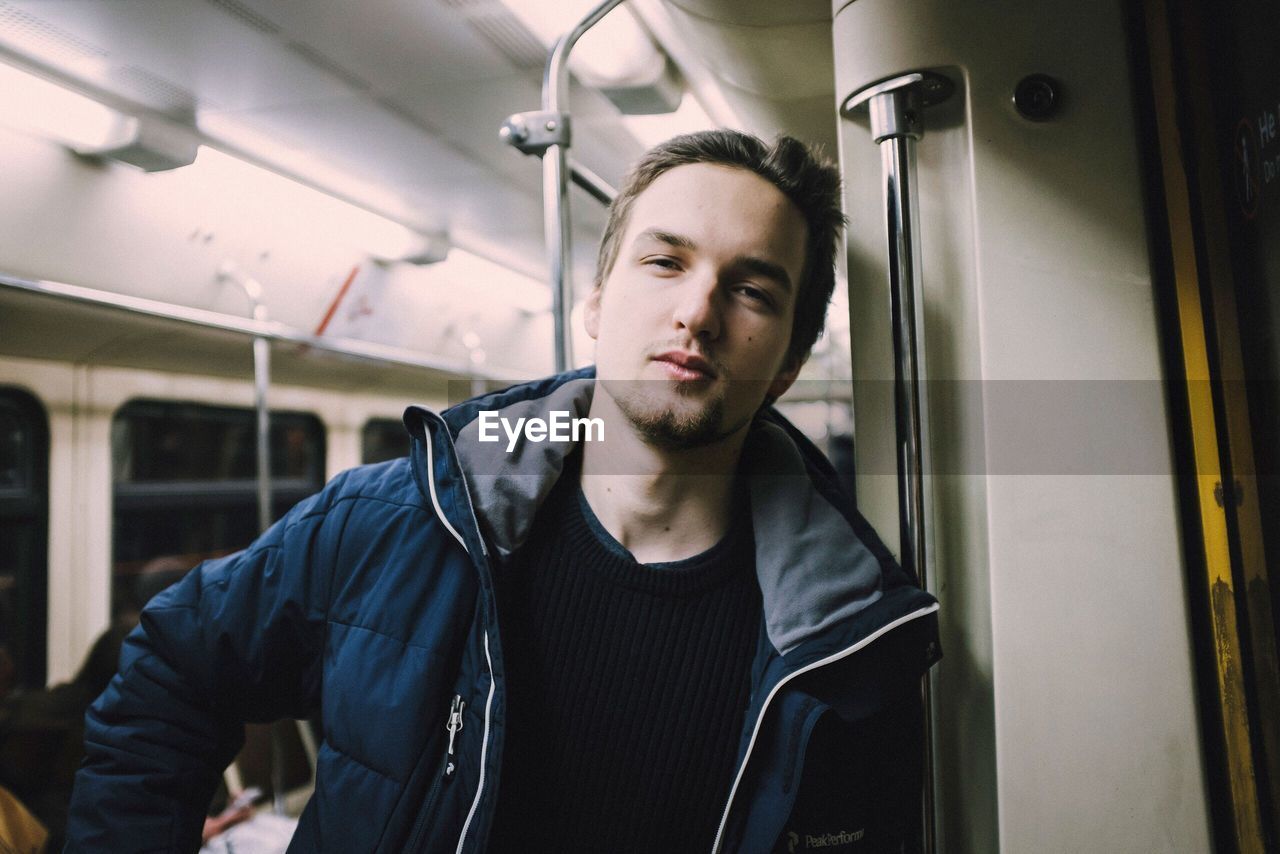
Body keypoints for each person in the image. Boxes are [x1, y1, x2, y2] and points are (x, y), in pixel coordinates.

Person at [66, 130, 940, 853]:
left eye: (751, 289)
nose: (699, 312)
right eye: (665, 263)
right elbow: (171, 670)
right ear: (598, 302)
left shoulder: (848, 652)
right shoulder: (393, 526)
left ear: (789, 362)